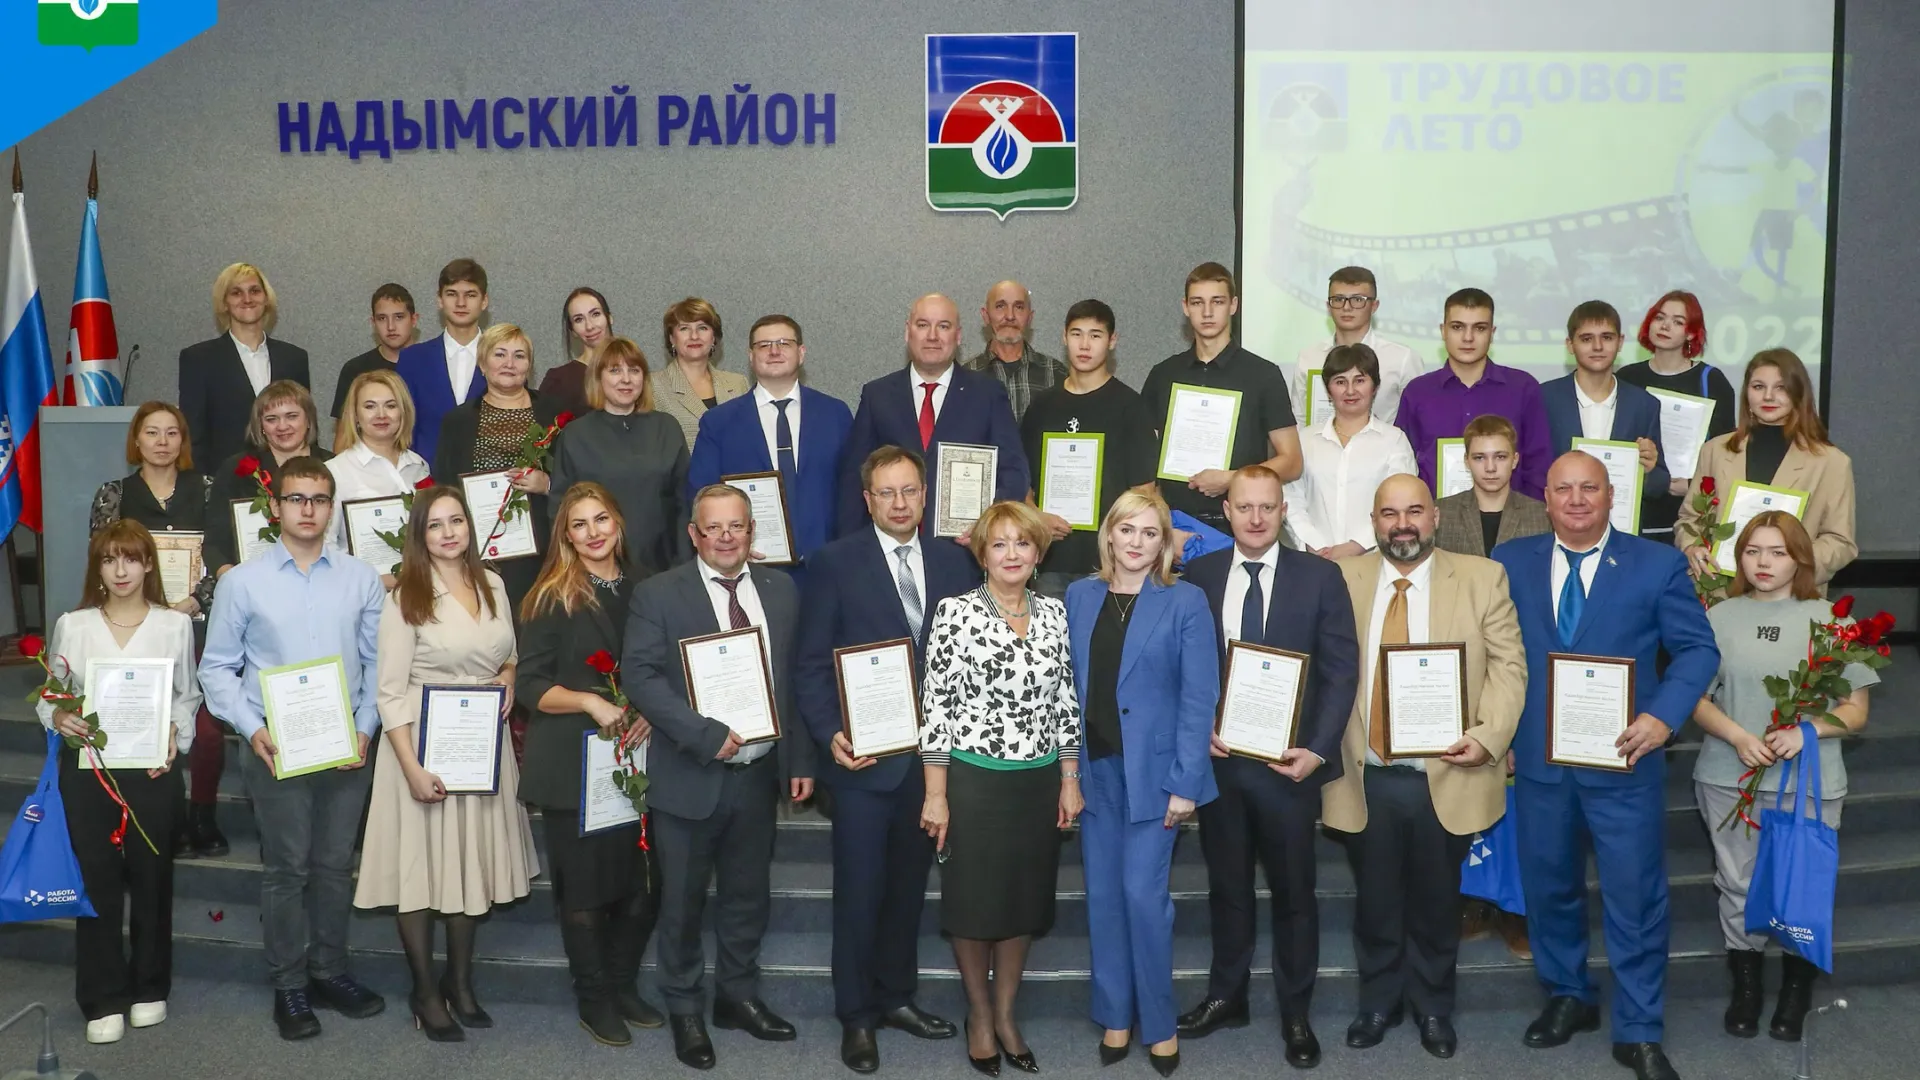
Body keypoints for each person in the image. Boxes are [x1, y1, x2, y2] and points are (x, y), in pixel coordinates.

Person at [1490, 452, 1719, 1080]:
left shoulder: (1657, 564)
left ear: (1611, 494)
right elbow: (1489, 653)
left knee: (1635, 898)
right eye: (1564, 489)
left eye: (1589, 487)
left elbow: (1698, 650)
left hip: (1624, 761)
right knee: (1550, 892)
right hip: (1538, 763)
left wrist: (1664, 717)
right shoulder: (1510, 563)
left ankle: (1639, 1029)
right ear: (1545, 496)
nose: (1577, 499)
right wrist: (1497, 731)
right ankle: (1569, 996)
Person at [1320, 474, 1526, 1060]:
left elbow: (1510, 668)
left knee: (1438, 902)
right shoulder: (1344, 579)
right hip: (1367, 774)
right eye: (1389, 513)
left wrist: (1488, 739)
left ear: (1435, 516)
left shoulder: (1482, 578)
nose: (1402, 524)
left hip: (1450, 771)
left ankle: (1434, 1006)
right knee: (1376, 898)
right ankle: (1379, 1001)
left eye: (1414, 511)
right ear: (1374, 522)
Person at [796, 446, 979, 1073]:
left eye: (910, 491)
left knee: (907, 888)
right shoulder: (833, 563)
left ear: (925, 495)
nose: (900, 503)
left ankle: (897, 996)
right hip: (865, 762)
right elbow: (813, 662)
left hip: (934, 764)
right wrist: (828, 733)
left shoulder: (958, 563)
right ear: (867, 499)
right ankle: (857, 1015)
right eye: (887, 493)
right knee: (860, 891)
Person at [623, 484, 816, 1070]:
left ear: (751, 531)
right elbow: (641, 675)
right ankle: (684, 1007)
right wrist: (705, 734)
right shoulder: (659, 594)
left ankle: (737, 996)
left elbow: (794, 678)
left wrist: (800, 761)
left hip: (757, 776)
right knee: (680, 902)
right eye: (714, 527)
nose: (726, 537)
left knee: (745, 897)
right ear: (694, 533)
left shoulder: (781, 591)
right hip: (689, 774)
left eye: (737, 526)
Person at [199, 456, 388, 1041]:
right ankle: (289, 985)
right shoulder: (241, 582)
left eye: (319, 499)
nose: (308, 509)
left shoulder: (360, 578)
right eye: (297, 498)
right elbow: (217, 670)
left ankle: (329, 970)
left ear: (332, 508)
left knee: (334, 866)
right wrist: (252, 727)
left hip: (346, 747)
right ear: (275, 506)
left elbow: (381, 663)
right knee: (286, 870)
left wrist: (364, 727)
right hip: (273, 749)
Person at [1175, 466, 1358, 1068]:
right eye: (1244, 507)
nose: (1256, 518)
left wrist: (1320, 748)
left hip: (1290, 765)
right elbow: (1179, 666)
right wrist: (1195, 726)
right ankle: (1227, 995)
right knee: (1226, 888)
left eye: (1268, 507)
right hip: (1220, 762)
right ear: (1225, 512)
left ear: (1284, 511)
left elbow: (1340, 670)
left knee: (1293, 893)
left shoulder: (1321, 577)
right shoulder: (1195, 576)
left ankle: (1295, 1011)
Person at [352, 485, 536, 1041]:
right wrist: (410, 768)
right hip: (421, 745)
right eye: (435, 525)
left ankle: (460, 982)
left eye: (457, 521)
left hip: (482, 744)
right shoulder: (405, 593)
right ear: (420, 535)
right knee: (420, 871)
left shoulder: (494, 583)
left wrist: (507, 679)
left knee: (467, 863)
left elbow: (508, 653)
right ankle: (425, 991)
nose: (449, 532)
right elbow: (388, 692)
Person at [1690, 512, 1875, 1043]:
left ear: (1800, 558)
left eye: (1776, 551)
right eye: (1752, 551)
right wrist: (1737, 736)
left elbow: (1856, 711)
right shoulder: (1717, 616)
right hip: (1729, 775)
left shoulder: (1832, 620)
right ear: (1739, 558)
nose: (1763, 562)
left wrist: (1808, 731)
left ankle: (1796, 990)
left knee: (1800, 886)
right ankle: (1745, 987)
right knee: (1738, 885)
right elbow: (1696, 701)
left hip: (1808, 779)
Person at [919, 500, 1081, 1077]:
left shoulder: (1057, 613)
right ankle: (979, 1015)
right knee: (973, 905)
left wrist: (1069, 779)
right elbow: (936, 706)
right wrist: (936, 794)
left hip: (1037, 783)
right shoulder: (954, 613)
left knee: (1021, 902)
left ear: (1038, 553)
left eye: (1023, 543)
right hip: (972, 781)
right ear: (983, 554)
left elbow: (1066, 700)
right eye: (999, 544)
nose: (1012, 554)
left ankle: (1008, 1013)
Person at [1065, 491, 1219, 1075]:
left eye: (1149, 533)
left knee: (1142, 898)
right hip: (1096, 772)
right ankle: (1115, 1015)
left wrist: (1187, 782)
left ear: (1164, 544)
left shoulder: (1185, 601)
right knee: (1103, 899)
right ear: (1108, 535)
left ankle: (1158, 1022)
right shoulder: (1079, 596)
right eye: (1126, 530)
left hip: (1156, 777)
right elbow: (1067, 687)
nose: (1135, 542)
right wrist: (1069, 772)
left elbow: (1199, 696)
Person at [38, 521, 201, 1045]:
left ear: (150, 564)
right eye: (110, 560)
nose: (122, 570)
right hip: (89, 770)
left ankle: (150, 986)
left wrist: (178, 733)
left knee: (152, 877)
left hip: (152, 769)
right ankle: (102, 995)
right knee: (97, 880)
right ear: (99, 568)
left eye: (132, 559)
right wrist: (58, 717)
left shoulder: (174, 627)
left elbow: (188, 695)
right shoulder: (75, 624)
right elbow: (52, 694)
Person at [517, 482, 664, 1046]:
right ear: (565, 534)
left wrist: (648, 708)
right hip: (573, 763)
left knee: (642, 886)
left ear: (618, 522)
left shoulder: (649, 587)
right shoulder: (550, 595)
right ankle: (594, 998)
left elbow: (664, 666)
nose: (593, 531)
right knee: (584, 892)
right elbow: (530, 684)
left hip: (639, 757)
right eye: (579, 524)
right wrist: (588, 700)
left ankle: (623, 984)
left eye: (601, 518)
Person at [87, 403, 224, 858]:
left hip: (196, 624)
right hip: (135, 628)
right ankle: (155, 816)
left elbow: (225, 556)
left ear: (183, 441)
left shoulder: (206, 489)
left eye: (172, 433)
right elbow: (104, 559)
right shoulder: (114, 493)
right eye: (152, 432)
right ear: (137, 440)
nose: (162, 442)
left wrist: (192, 602)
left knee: (203, 731)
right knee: (142, 720)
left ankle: (201, 816)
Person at [839, 294, 1029, 536]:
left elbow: (1014, 471)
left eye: (943, 326)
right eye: (922, 325)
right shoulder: (878, 395)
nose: (932, 336)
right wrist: (850, 549)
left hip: (965, 550)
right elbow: (854, 477)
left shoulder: (988, 395)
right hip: (890, 549)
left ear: (958, 336)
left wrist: (988, 523)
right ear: (908, 332)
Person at [1141, 263, 1303, 533]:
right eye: (1197, 302)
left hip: (1239, 529)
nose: (1207, 312)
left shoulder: (1262, 374)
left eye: (1217, 302)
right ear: (1185, 307)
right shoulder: (1163, 375)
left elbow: (1292, 461)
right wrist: (1158, 518)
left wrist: (1233, 479)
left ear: (1233, 305)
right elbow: (1144, 456)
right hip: (1172, 527)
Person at [688, 315, 853, 579]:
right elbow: (703, 494)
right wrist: (732, 544)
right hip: (752, 570)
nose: (774, 351)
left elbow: (854, 491)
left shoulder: (836, 414)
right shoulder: (718, 423)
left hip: (828, 569)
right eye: (764, 345)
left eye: (783, 343)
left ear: (801, 353)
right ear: (751, 356)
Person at [1677, 348, 1856, 588]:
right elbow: (1689, 519)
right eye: (1758, 387)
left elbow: (1840, 541)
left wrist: (1793, 564)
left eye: (1781, 387)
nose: (1768, 396)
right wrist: (1691, 546)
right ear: (1746, 393)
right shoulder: (1714, 450)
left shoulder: (1832, 462)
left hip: (1792, 598)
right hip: (1719, 593)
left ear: (1798, 393)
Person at [1019, 299, 1159, 598]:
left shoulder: (1131, 407)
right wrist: (1036, 517)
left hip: (1109, 565)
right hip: (1051, 562)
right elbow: (1022, 484)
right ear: (1063, 337)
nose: (1084, 344)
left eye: (1095, 335)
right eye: (1076, 333)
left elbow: (1144, 495)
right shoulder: (1042, 407)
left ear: (1112, 341)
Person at [432, 323, 564, 614]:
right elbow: (443, 485)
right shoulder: (457, 421)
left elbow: (577, 479)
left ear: (529, 366)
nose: (509, 363)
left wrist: (548, 484)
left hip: (542, 550)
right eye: (499, 354)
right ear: (482, 363)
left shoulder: (554, 416)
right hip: (478, 550)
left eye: (519, 356)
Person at [1394, 288, 1553, 500]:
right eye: (1458, 327)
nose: (1468, 338)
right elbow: (1402, 465)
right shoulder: (1418, 392)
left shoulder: (1523, 388)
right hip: (1436, 521)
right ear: (1443, 331)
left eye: (1479, 328)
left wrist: (1532, 520)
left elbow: (1538, 464)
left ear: (1492, 333)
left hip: (1512, 524)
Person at [549, 336, 690, 575]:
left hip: (663, 569)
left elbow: (685, 502)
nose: (626, 379)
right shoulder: (576, 435)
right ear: (598, 377)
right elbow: (560, 509)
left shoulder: (666, 427)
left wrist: (683, 564)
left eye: (634, 370)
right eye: (615, 370)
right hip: (596, 571)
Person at [1616, 291, 1737, 542]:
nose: (1665, 325)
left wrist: (1692, 485)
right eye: (1660, 317)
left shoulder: (1711, 381)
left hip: (1689, 513)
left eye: (1678, 321)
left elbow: (1728, 454)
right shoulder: (1627, 377)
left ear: (1691, 333)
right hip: (1636, 509)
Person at [1540, 301, 1668, 533]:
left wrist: (1648, 470)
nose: (1597, 346)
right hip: (1555, 531)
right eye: (1587, 339)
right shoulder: (1544, 398)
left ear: (1620, 342)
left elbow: (1659, 484)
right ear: (1570, 344)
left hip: (1620, 534)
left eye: (1607, 337)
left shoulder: (1644, 404)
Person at [1282, 343, 1417, 559]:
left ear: (1375, 387)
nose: (1350, 391)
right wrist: (1314, 544)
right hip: (1314, 560)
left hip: (1374, 561)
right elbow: (1291, 498)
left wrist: (1356, 546)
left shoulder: (1394, 440)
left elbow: (1398, 503)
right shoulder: (1305, 439)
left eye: (1360, 380)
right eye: (1340, 382)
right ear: (1328, 390)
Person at [179, 262, 311, 468]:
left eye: (255, 291)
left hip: (288, 477)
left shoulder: (295, 358)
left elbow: (306, 425)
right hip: (226, 480)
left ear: (266, 299)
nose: (247, 299)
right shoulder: (199, 359)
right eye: (236, 293)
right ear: (224, 303)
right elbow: (194, 434)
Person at [203, 382, 333, 580]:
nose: (282, 426)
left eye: (292, 416)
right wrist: (233, 582)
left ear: (308, 420)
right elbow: (215, 543)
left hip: (323, 579)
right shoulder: (236, 470)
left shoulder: (333, 466)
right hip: (251, 583)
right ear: (261, 426)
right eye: (271, 419)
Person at [326, 369, 431, 580]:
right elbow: (325, 545)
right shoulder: (334, 472)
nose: (381, 415)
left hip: (422, 588)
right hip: (363, 596)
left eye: (391, 406)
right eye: (369, 406)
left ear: (403, 412)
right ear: (355, 415)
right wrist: (372, 579)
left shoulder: (419, 466)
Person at [1288, 266, 1426, 424]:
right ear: (1328, 306)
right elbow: (1298, 418)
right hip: (1319, 447)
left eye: (1358, 300)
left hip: (1384, 447)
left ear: (1374, 306)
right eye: (1338, 299)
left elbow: (1418, 419)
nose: (1347, 307)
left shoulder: (1403, 358)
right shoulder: (1309, 357)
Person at [397, 258, 491, 456]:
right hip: (426, 480)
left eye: (470, 295)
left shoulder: (505, 360)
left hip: (487, 481)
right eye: (451, 294)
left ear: (484, 301)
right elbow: (403, 430)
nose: (461, 303)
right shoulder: (412, 360)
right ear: (439, 300)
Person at [1434, 414, 1550, 560]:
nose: (1490, 468)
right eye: (1479, 458)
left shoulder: (1541, 515)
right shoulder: (1442, 513)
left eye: (1500, 457)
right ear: (1466, 461)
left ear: (1514, 460)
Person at [651, 297, 749, 452]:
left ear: (713, 338)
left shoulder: (738, 383)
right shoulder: (652, 386)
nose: (694, 336)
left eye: (702, 328)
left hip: (735, 474)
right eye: (684, 328)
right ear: (671, 338)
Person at [330, 284, 420, 452]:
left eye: (399, 317)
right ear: (373, 322)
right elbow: (344, 435)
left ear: (414, 320)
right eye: (382, 318)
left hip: (420, 465)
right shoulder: (355, 369)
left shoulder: (430, 364)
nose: (391, 327)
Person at [964, 280, 1066, 422]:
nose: (1010, 316)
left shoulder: (1056, 373)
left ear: (1030, 317)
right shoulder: (966, 375)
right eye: (1000, 306)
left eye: (1019, 307)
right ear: (985, 316)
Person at [538, 287, 614, 417]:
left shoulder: (633, 371)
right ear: (573, 331)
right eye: (579, 319)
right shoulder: (558, 381)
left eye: (595, 314)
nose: (589, 326)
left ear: (609, 318)